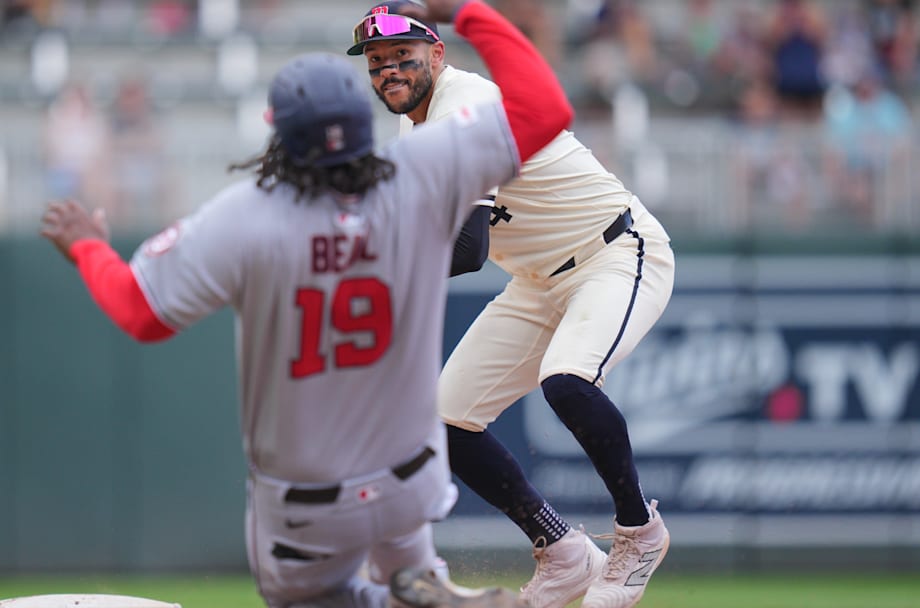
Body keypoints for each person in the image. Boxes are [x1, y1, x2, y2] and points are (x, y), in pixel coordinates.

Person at [40, 0, 573, 606]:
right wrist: (468, 12)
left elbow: (140, 313)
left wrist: (86, 246)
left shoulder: (245, 216)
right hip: (411, 477)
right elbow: (546, 107)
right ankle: (418, 584)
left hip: (306, 503)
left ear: (280, 132)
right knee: (406, 554)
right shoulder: (420, 169)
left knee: (313, 600)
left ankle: (396, 597)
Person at [347, 3, 676, 607]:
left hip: (613, 251)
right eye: (376, 63)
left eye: (402, 56)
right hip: (537, 280)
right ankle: (562, 551)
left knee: (568, 381)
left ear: (437, 55)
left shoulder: (462, 105)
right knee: (446, 420)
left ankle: (639, 533)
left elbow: (468, 248)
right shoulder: (412, 127)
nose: (389, 70)